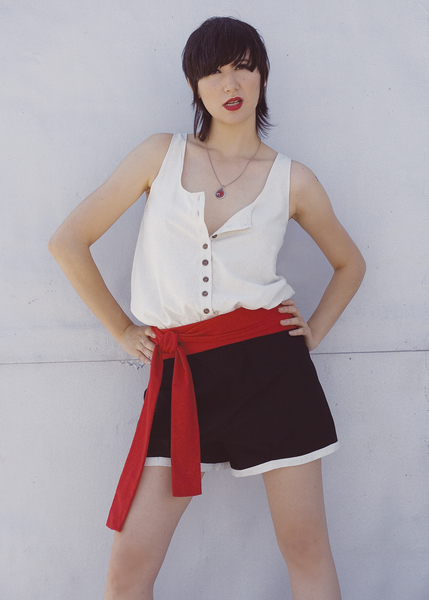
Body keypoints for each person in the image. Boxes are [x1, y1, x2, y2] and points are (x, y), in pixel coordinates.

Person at [48, 16, 365, 600]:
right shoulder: (160, 155)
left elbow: (351, 263)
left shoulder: (293, 179)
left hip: (273, 375)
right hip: (181, 375)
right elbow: (68, 241)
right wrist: (122, 329)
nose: (230, 83)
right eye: (213, 72)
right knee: (128, 567)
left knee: (305, 548)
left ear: (262, 75)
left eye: (243, 66)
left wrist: (313, 330)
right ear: (194, 85)